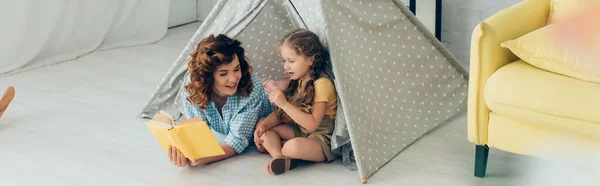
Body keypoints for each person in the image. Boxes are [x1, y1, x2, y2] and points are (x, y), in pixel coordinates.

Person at [154, 34, 273, 167]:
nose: (233, 78)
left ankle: (277, 84)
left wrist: (203, 158)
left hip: (270, 123)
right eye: (223, 73)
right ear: (208, 76)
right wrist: (186, 153)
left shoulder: (252, 87)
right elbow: (198, 132)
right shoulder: (194, 86)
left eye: (236, 69)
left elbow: (236, 142)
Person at [253, 29, 338, 175]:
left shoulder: (321, 84)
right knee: (263, 124)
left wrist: (285, 104)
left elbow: (312, 125)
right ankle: (279, 157)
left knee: (292, 147)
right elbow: (280, 115)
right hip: (300, 131)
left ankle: (283, 151)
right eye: (284, 61)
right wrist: (263, 126)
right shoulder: (296, 81)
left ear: (311, 59)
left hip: (321, 138)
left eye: (291, 61)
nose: (286, 66)